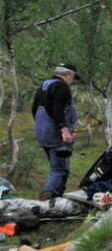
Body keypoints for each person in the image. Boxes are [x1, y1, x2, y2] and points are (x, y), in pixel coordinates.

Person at [31, 62, 81, 200]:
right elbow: (58, 109)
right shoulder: (61, 86)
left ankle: (56, 199)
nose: (72, 81)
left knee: (56, 167)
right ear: (68, 74)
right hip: (55, 134)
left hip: (43, 133)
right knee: (60, 170)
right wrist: (64, 130)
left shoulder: (44, 85)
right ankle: (46, 201)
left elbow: (34, 109)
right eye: (73, 77)